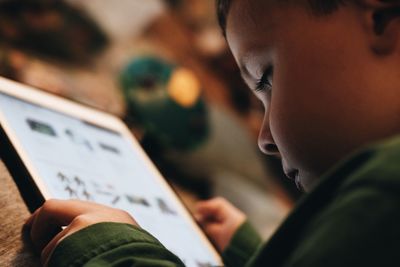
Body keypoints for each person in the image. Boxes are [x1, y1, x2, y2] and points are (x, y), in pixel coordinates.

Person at [24, 0, 400, 266]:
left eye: (266, 78)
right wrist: (261, 254)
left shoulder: (385, 191)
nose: (264, 138)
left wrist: (112, 252)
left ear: (382, 18)